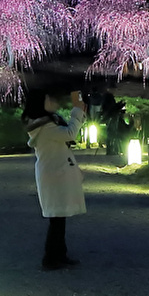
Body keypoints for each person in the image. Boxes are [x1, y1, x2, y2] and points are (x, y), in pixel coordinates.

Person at [25, 93, 86, 269]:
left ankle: (59, 254)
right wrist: (78, 111)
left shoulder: (44, 125)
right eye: (49, 99)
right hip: (55, 173)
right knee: (57, 217)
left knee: (58, 217)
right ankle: (51, 258)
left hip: (54, 172)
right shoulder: (46, 127)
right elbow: (70, 133)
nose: (54, 101)